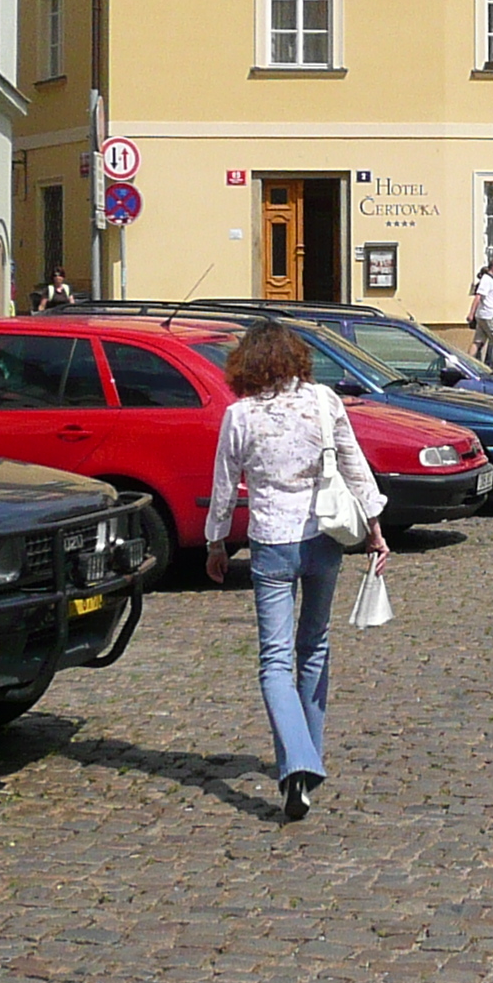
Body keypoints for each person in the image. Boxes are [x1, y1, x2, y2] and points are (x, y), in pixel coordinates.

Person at [204, 319, 388, 824]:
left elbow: (224, 484)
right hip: (324, 538)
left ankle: (298, 762)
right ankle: (308, 756)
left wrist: (215, 542)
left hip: (271, 542)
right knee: (315, 646)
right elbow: (354, 466)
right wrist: (374, 527)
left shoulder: (239, 416)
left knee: (275, 660)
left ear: (247, 364)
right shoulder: (324, 401)